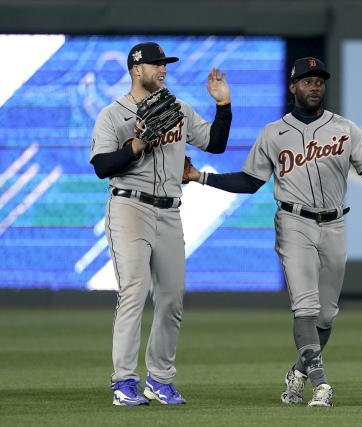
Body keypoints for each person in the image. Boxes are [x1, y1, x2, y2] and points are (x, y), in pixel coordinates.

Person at [185, 57, 362, 407]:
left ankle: (299, 373)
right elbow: (249, 182)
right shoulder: (273, 132)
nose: (315, 86)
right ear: (293, 87)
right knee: (305, 307)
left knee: (326, 314)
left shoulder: (345, 128)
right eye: (307, 81)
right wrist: (201, 176)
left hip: (335, 223)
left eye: (319, 80)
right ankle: (321, 385)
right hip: (294, 222)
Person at [89, 42, 232, 406]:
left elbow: (215, 144)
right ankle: (123, 381)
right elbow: (102, 166)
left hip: (170, 210)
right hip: (129, 207)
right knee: (134, 292)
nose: (163, 69)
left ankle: (160, 380)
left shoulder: (177, 108)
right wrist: (137, 145)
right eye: (156, 65)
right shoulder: (112, 114)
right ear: (136, 69)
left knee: (171, 299)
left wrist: (222, 105)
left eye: (165, 64)